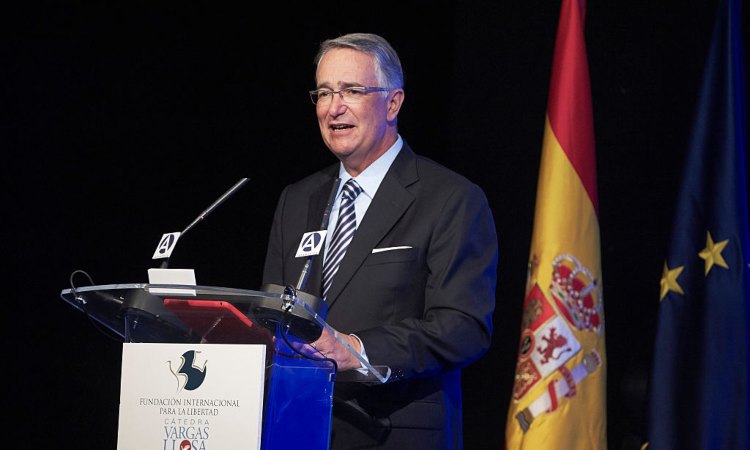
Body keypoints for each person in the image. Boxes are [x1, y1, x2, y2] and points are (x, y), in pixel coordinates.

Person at [262, 32, 498, 450]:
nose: (334, 107)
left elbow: (463, 327)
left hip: (393, 431)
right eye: (324, 93)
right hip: (298, 427)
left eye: (352, 90)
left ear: (393, 103)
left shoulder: (449, 198)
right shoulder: (297, 199)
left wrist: (359, 349)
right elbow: (275, 316)